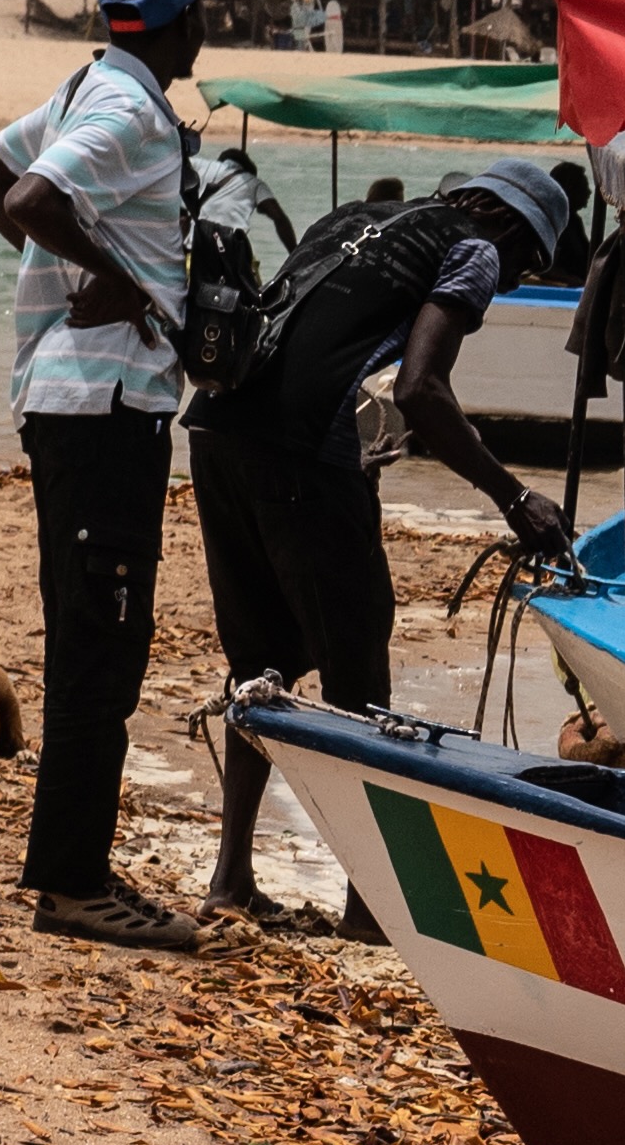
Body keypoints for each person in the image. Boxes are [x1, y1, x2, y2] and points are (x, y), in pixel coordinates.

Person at [191, 153, 581, 924]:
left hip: (217, 432)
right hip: (304, 456)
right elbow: (420, 390)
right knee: (359, 685)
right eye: (525, 265)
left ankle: (229, 880)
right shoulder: (472, 247)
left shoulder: (349, 218)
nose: (510, 284)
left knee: (256, 664)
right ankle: (368, 911)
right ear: (504, 221)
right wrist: (514, 498)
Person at [0, 0, 215, 956]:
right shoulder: (131, 109)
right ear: (177, 25)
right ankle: (72, 883)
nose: (210, 29)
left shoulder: (85, 82)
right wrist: (113, 281)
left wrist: (55, 290)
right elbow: (28, 199)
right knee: (101, 647)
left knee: (87, 635)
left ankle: (71, 869)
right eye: (203, 15)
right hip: (106, 404)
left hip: (68, 393)